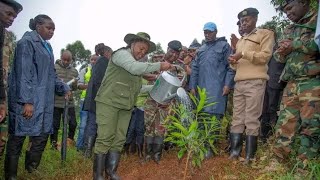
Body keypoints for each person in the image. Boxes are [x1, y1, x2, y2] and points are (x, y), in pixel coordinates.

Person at [93, 32, 172, 179]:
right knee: (105, 137)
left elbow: (138, 89)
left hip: (125, 105)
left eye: (145, 51)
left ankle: (111, 172)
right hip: (108, 103)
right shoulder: (121, 55)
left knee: (119, 140)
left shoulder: (136, 67)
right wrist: (160, 65)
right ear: (132, 44)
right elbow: (135, 68)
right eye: (140, 48)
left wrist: (158, 86)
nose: (142, 53)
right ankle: (98, 176)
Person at [4, 14, 71, 179]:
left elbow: (51, 75)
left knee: (40, 138)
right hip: (28, 103)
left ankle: (31, 171)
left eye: (54, 29)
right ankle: (10, 175)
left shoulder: (47, 47)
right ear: (38, 26)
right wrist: (27, 101)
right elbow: (23, 74)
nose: (52, 31)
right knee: (18, 139)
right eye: (49, 28)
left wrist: (64, 87)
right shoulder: (26, 43)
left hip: (44, 103)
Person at [273, 0, 320, 161]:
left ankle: (305, 166)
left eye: (290, 8)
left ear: (303, 3)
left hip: (312, 82)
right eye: (285, 11)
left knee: (310, 125)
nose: (288, 13)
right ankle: (278, 160)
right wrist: (282, 50)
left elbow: (316, 45)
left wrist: (295, 44)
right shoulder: (289, 28)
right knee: (284, 123)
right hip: (291, 82)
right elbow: (278, 57)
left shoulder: (316, 21)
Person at [228, 8, 274, 164]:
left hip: (255, 82)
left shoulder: (265, 34)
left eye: (246, 20)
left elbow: (265, 57)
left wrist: (243, 54)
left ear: (255, 19)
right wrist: (234, 62)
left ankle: (249, 156)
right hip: (239, 82)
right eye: (241, 21)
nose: (243, 23)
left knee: (251, 119)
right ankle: (234, 152)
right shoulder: (241, 40)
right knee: (237, 118)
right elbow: (238, 65)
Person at [189, 22, 235, 159]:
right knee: (202, 117)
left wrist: (227, 84)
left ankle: (211, 146)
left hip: (217, 89)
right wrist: (192, 86)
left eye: (210, 32)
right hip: (201, 89)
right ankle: (203, 145)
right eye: (205, 32)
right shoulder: (201, 49)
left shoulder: (224, 46)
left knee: (214, 117)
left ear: (216, 32)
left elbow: (230, 66)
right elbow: (195, 69)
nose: (207, 34)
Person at [144, 40, 182, 164]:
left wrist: (168, 101)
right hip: (151, 99)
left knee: (161, 128)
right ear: (167, 49)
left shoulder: (178, 68)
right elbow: (144, 73)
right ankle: (147, 155)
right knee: (149, 126)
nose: (174, 55)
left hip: (167, 103)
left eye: (177, 53)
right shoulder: (156, 60)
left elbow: (180, 85)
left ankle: (157, 156)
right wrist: (158, 77)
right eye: (172, 52)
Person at [0, 0, 22, 158]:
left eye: (14, 16)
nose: (12, 18)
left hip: (3, 96)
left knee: (2, 140)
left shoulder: (6, 36)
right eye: (8, 14)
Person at [82, 45, 113, 158]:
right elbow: (99, 82)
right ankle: (88, 151)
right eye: (111, 53)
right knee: (92, 125)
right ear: (107, 52)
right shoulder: (103, 62)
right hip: (97, 100)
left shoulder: (99, 62)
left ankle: (89, 151)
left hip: (94, 99)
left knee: (92, 124)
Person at [50, 50, 79, 149]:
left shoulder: (75, 71)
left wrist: (74, 84)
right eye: (64, 59)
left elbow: (75, 88)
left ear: (71, 60)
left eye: (68, 60)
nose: (66, 62)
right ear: (61, 58)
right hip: (56, 102)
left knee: (73, 123)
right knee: (55, 125)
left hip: (69, 102)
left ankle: (68, 143)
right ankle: (53, 145)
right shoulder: (54, 68)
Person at [76, 53, 99, 151]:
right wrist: (90, 86)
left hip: (96, 102)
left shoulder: (101, 71)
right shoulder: (84, 70)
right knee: (83, 125)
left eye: (95, 60)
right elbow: (79, 85)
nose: (93, 61)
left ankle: (89, 148)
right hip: (84, 100)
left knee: (93, 125)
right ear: (89, 60)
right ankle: (79, 147)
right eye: (92, 59)